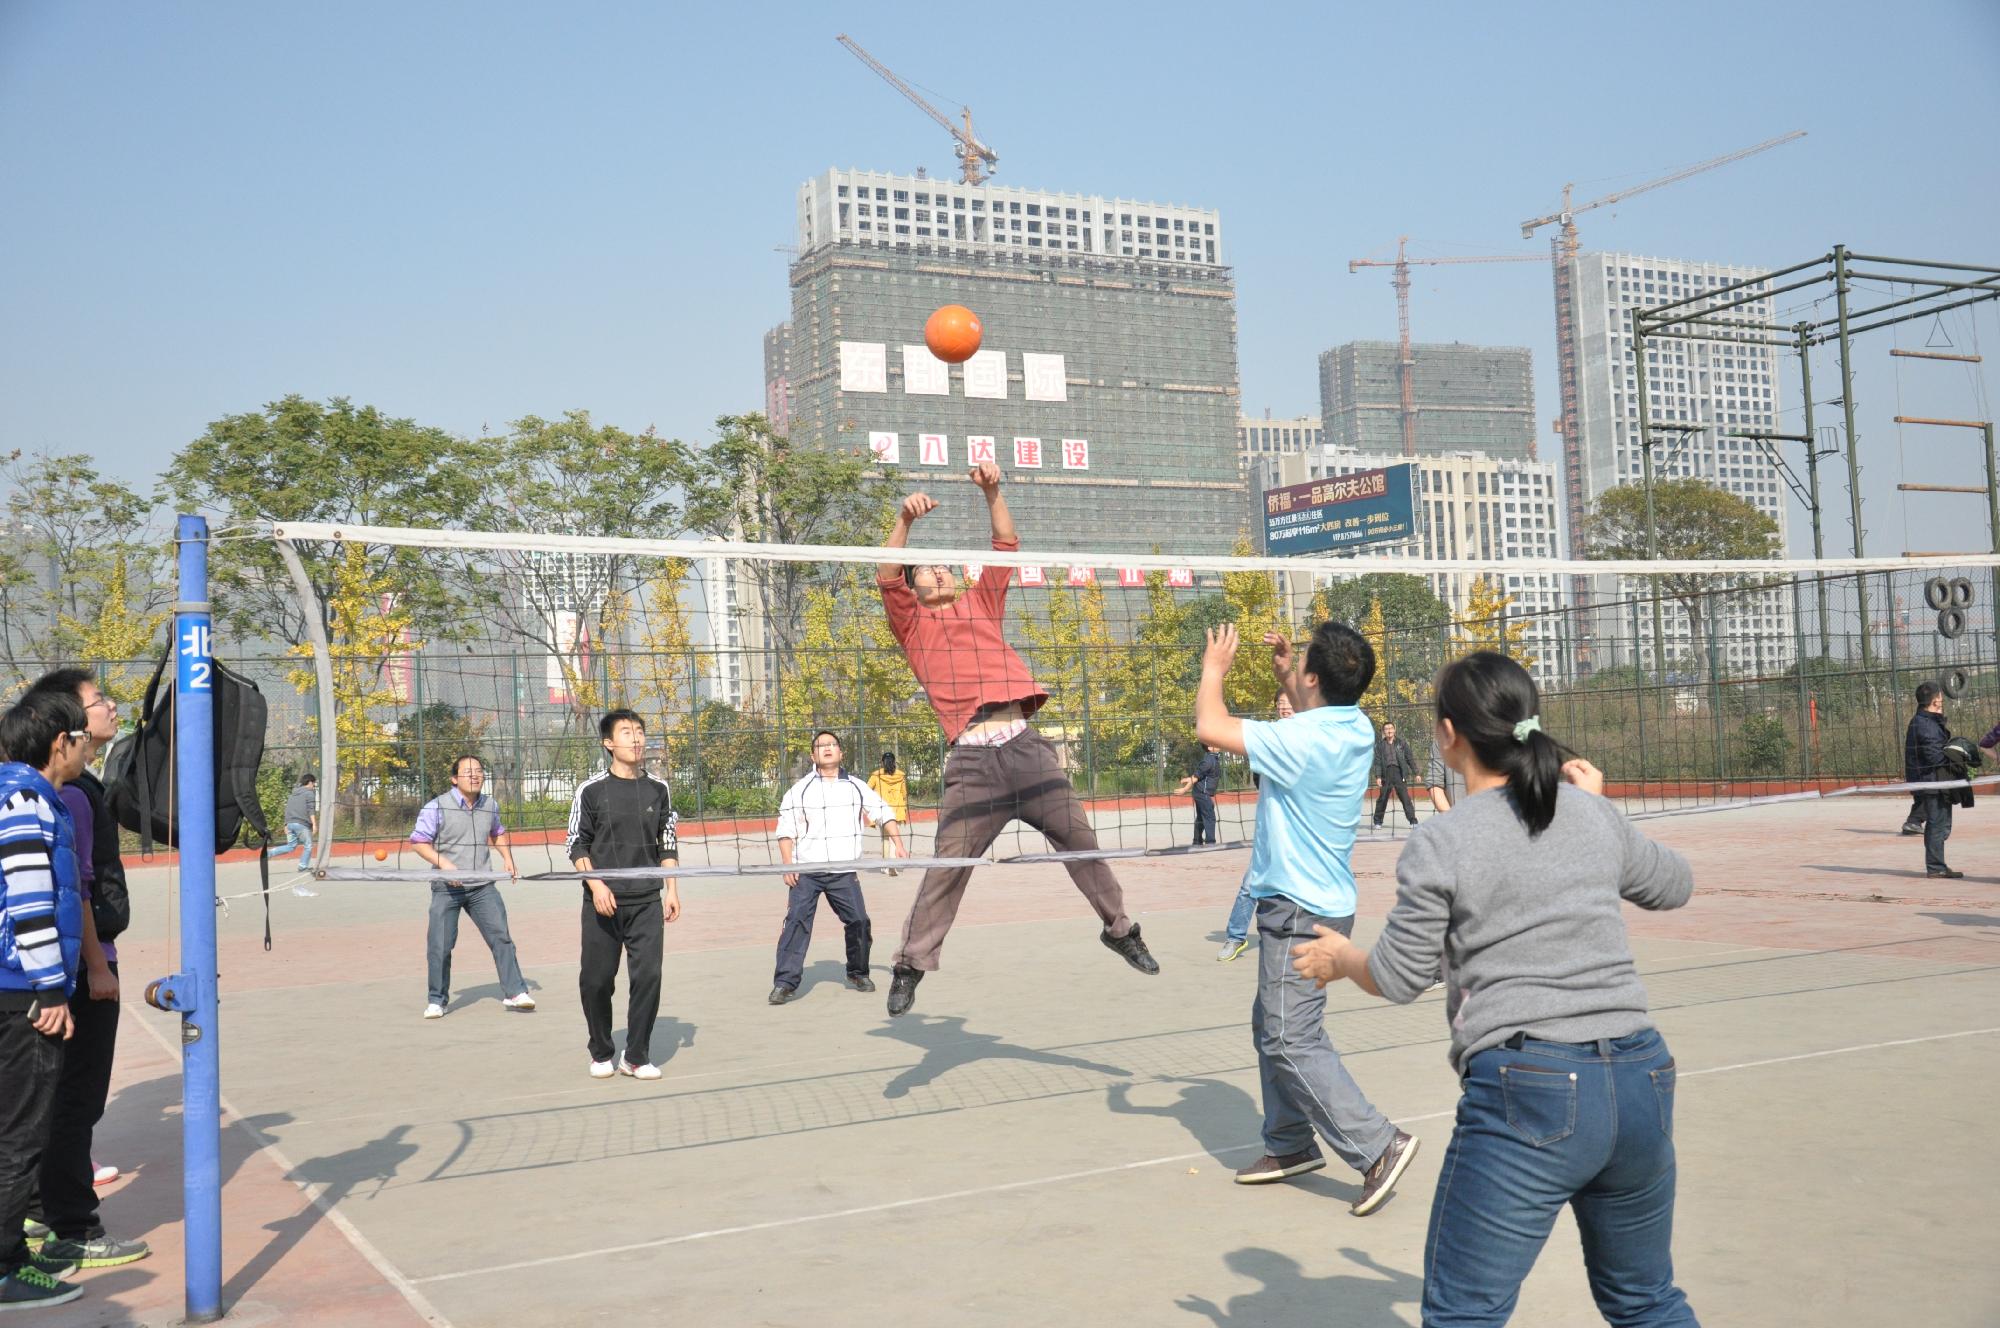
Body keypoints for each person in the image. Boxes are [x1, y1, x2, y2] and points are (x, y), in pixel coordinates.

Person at [1291, 650, 1698, 1325]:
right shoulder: (1589, 813)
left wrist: (1341, 959)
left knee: (1463, 1314)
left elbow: (1398, 975)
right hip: (1641, 1076)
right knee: (1646, 1301)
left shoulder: (1443, 840)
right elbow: (1675, 885)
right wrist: (1600, 814)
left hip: (1531, 1088)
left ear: (1448, 735)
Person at [876, 463, 1158, 1017]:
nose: (940, 572)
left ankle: (1121, 930)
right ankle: (910, 964)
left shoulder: (980, 603)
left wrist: (993, 492)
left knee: (1081, 841)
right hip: (972, 765)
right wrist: (905, 521)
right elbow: (887, 573)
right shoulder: (911, 625)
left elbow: (1005, 544)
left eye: (944, 566)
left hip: (1027, 750)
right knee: (948, 868)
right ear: (914, 587)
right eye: (928, 568)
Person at [1193, 622, 1417, 1216]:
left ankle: (1377, 1146)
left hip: (1297, 907)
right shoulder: (1355, 725)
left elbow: (1210, 726)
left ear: (1315, 680)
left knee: (1290, 1036)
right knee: (1273, 1022)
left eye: (1302, 672)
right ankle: (1290, 1142)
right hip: (1326, 901)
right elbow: (1317, 702)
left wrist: (1214, 668)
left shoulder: (1298, 739)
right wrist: (1288, 672)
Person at [21, 671, 148, 1273]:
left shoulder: (72, 786)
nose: (112, 706)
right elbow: (77, 891)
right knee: (72, 1102)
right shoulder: (63, 794)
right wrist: (97, 966)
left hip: (65, 965)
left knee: (54, 1104)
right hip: (73, 968)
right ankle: (72, 1226)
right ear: (65, 726)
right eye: (99, 701)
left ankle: (42, 1210)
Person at [0, 689, 91, 1311]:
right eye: (81, 738)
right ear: (61, 743)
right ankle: (6, 1268)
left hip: (13, 984)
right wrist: (50, 990)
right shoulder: (27, 801)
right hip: (21, 991)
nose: (87, 749)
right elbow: (30, 902)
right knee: (20, 1135)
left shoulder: (18, 793)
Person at [566, 710, 681, 1080]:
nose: (636, 739)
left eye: (640, 732)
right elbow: (576, 844)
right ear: (609, 743)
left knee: (648, 977)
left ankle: (636, 1056)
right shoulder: (591, 790)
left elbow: (667, 842)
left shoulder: (658, 789)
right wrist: (596, 885)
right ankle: (601, 1051)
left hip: (646, 901)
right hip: (603, 901)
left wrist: (672, 889)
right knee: (596, 981)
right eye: (627, 732)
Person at [770, 731, 905, 1005]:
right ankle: (784, 983)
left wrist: (898, 844)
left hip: (843, 872)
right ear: (813, 755)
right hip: (807, 870)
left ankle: (858, 972)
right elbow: (785, 830)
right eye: (821, 746)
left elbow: (883, 812)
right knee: (796, 922)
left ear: (841, 753)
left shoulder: (856, 786)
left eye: (832, 744)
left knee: (859, 921)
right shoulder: (800, 789)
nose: (827, 748)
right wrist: (787, 864)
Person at [410, 755, 532, 1019]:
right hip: (447, 887)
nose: (474, 775)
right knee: (440, 945)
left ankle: (515, 992)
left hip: (482, 886)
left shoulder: (490, 805)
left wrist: (508, 858)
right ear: (454, 779)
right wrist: (444, 864)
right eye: (467, 772)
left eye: (478, 771)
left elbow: (497, 832)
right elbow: (419, 842)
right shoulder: (436, 807)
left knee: (501, 938)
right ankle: (437, 1000)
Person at [1222, 692, 1296, 961]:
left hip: (1300, 833)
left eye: (1289, 703)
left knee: (1301, 888)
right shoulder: (1268, 737)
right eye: (1280, 703)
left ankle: (1304, 937)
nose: (1284, 707)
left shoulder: (1307, 737)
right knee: (1250, 885)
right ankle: (1235, 936)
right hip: (1271, 831)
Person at [1905, 681, 1960, 879]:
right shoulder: (1926, 724)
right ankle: (1936, 867)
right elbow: (1934, 756)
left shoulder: (1925, 720)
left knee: (1941, 825)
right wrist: (1959, 759)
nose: (1942, 699)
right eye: (1940, 696)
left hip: (1932, 780)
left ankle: (1937, 864)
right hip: (1931, 781)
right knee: (1938, 825)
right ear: (1936, 700)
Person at [866, 753, 908, 876]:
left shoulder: (876, 775)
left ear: (882, 762)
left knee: (885, 839)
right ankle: (892, 865)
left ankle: (886, 866)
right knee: (894, 838)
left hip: (882, 810)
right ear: (894, 762)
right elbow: (904, 793)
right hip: (897, 810)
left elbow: (867, 789)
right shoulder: (900, 775)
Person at [1371, 720, 1419, 829]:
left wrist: (1416, 773)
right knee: (1382, 798)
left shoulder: (1402, 743)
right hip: (1386, 774)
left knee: (1405, 798)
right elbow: (1377, 762)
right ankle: (1378, 822)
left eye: (1391, 728)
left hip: (1399, 773)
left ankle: (1413, 821)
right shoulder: (1379, 746)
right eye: (1386, 729)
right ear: (1383, 731)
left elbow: (1409, 758)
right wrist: (1378, 776)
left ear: (1394, 730)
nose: (1389, 731)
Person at [1174, 744, 1222, 846]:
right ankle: (1210, 842)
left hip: (1201, 792)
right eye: (1215, 743)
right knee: (1210, 816)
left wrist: (1188, 779)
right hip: (1202, 793)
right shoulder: (1208, 761)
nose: (1218, 744)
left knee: (1201, 817)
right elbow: (1196, 778)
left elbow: (1199, 775)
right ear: (1210, 748)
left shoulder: (1213, 758)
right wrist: (1185, 789)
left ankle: (1197, 841)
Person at [278, 773, 317, 860]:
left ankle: (269, 853)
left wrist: (286, 824)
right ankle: (303, 865)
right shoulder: (309, 793)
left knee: (290, 846)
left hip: (290, 824)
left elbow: (288, 809)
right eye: (314, 783)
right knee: (308, 845)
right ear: (310, 782)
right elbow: (311, 810)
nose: (314, 785)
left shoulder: (292, 794)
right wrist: (314, 824)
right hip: (301, 824)